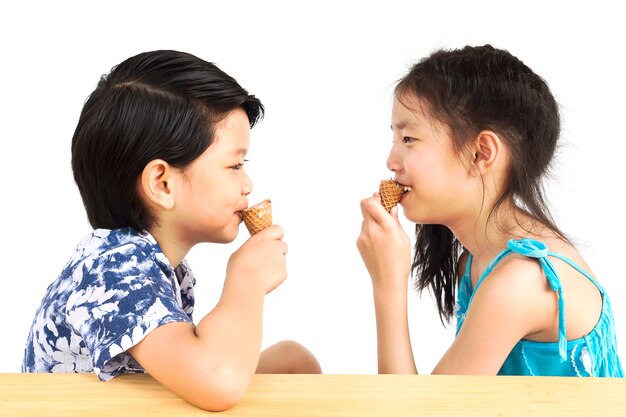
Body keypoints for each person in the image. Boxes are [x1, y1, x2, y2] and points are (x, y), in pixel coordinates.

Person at [22, 50, 321, 411]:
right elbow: (217, 383)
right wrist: (246, 278)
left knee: (294, 362)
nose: (248, 184)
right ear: (162, 184)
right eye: (235, 165)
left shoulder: (155, 264)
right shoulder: (111, 267)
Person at [357, 44, 623, 377]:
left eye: (408, 138)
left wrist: (388, 284)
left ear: (482, 153)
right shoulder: (475, 259)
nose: (391, 161)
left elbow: (415, 413)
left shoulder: (521, 280)